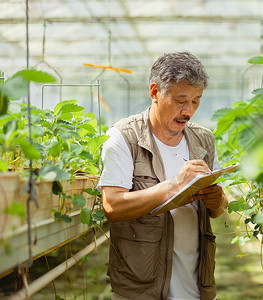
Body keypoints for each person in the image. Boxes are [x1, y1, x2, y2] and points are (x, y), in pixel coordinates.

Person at [97, 51, 228, 300]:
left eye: (196, 101)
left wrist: (217, 201)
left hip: (197, 289)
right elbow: (112, 207)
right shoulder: (124, 138)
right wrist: (172, 186)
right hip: (141, 289)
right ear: (155, 92)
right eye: (181, 100)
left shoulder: (204, 139)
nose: (188, 111)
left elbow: (219, 209)